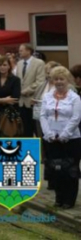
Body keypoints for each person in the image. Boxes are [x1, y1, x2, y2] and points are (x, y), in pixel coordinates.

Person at [40, 66, 81, 209]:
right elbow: (43, 116)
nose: (59, 82)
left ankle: (69, 200)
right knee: (55, 169)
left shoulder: (74, 98)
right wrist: (49, 133)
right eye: (56, 79)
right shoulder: (47, 96)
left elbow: (76, 118)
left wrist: (65, 134)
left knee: (70, 170)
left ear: (67, 80)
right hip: (51, 138)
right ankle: (59, 198)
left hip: (71, 139)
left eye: (61, 79)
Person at [15, 43, 46, 137]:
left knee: (36, 129)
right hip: (21, 102)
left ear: (29, 51)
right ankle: (27, 149)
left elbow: (40, 81)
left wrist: (26, 91)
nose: (19, 52)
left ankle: (41, 150)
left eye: (21, 50)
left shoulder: (39, 63)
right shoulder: (19, 63)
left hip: (33, 100)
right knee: (25, 130)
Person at [0, 55, 21, 137]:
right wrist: (3, 100)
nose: (2, 67)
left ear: (9, 66)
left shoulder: (15, 80)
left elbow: (15, 98)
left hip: (10, 114)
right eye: (0, 65)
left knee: (9, 136)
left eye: (4, 65)